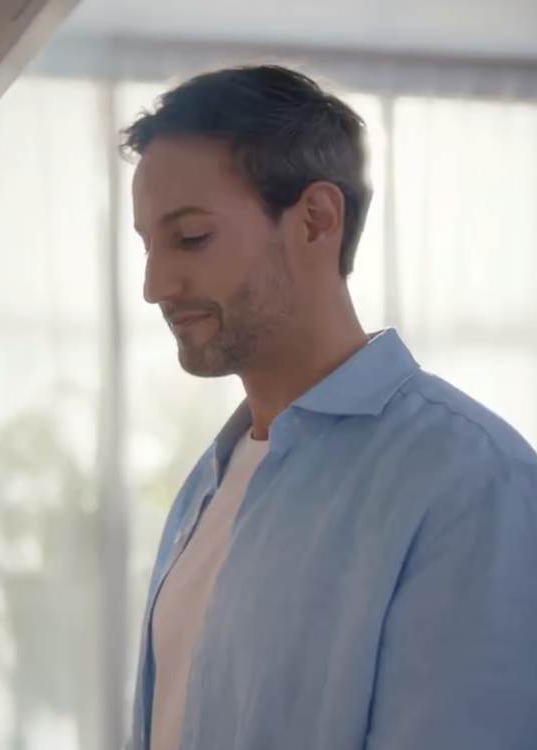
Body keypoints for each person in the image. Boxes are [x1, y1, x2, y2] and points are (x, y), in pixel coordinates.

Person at [123, 64, 537, 750]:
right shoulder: (209, 484)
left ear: (315, 221)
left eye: (191, 237)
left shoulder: (473, 484)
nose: (154, 285)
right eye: (147, 246)